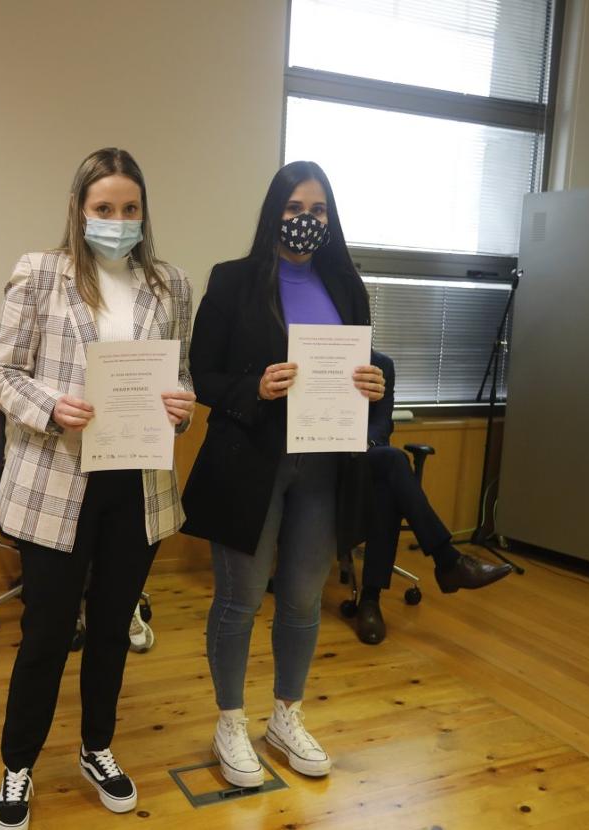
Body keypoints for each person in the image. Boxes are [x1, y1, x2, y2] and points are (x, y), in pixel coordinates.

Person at [0, 147, 194, 830]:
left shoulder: (171, 284)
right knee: (46, 632)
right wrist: (52, 407)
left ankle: (96, 747)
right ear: (81, 210)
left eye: (130, 209)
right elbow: (2, 374)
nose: (118, 220)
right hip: (57, 481)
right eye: (104, 208)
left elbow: (182, 376)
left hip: (136, 482)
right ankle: (18, 763)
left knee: (111, 629)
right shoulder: (40, 273)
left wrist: (182, 404)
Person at [181, 160, 383, 787]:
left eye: (318, 210)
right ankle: (231, 721)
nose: (306, 221)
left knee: (300, 599)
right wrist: (255, 387)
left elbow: (365, 370)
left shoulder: (347, 286)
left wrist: (377, 385)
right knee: (240, 600)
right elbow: (203, 374)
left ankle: (286, 716)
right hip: (251, 464)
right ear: (274, 211)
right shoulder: (234, 280)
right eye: (295, 208)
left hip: (325, 464)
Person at [355, 350, 512, 645]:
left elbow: (382, 424)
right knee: (393, 466)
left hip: (366, 458)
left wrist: (363, 443)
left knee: (388, 480)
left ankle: (371, 600)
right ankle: (447, 562)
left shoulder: (381, 365)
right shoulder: (311, 356)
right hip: (320, 462)